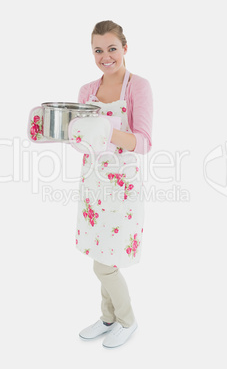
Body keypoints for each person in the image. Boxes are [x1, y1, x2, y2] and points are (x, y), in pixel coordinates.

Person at [75, 20, 153, 348]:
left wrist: (105, 131)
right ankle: (108, 318)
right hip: (93, 184)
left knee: (105, 264)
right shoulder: (86, 91)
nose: (105, 56)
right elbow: (80, 139)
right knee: (99, 252)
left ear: (124, 48)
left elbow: (145, 142)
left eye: (111, 48)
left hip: (122, 186)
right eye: (98, 50)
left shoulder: (138, 87)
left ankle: (127, 319)